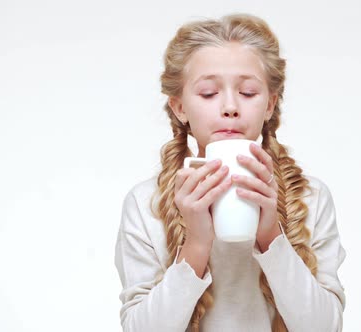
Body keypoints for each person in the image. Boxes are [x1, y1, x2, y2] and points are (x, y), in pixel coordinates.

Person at [114, 13, 346, 332]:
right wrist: (196, 244)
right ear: (180, 107)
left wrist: (270, 236)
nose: (230, 106)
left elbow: (325, 328)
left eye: (248, 92)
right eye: (209, 93)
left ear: (269, 104)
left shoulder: (311, 198)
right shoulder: (145, 204)